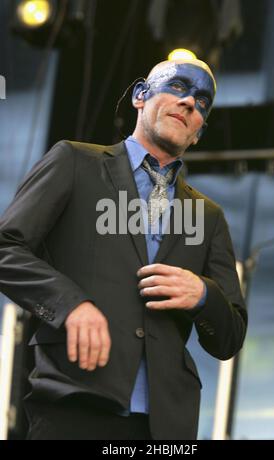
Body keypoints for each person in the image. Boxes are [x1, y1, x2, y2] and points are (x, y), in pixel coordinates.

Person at [0, 58, 247, 440]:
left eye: (202, 101)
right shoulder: (74, 162)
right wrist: (70, 305)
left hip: (165, 426)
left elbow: (229, 337)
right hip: (73, 404)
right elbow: (6, 247)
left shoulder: (208, 216)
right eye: (178, 87)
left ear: (199, 132)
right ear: (140, 96)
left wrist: (203, 294)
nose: (189, 103)